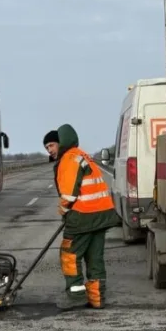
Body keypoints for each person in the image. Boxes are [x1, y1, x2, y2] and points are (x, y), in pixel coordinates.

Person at [54, 123, 119, 309]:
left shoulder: (69, 158)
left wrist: (63, 210)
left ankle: (75, 296)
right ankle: (96, 299)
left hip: (83, 216)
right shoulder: (84, 156)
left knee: (69, 255)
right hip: (101, 216)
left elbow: (68, 194)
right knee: (94, 258)